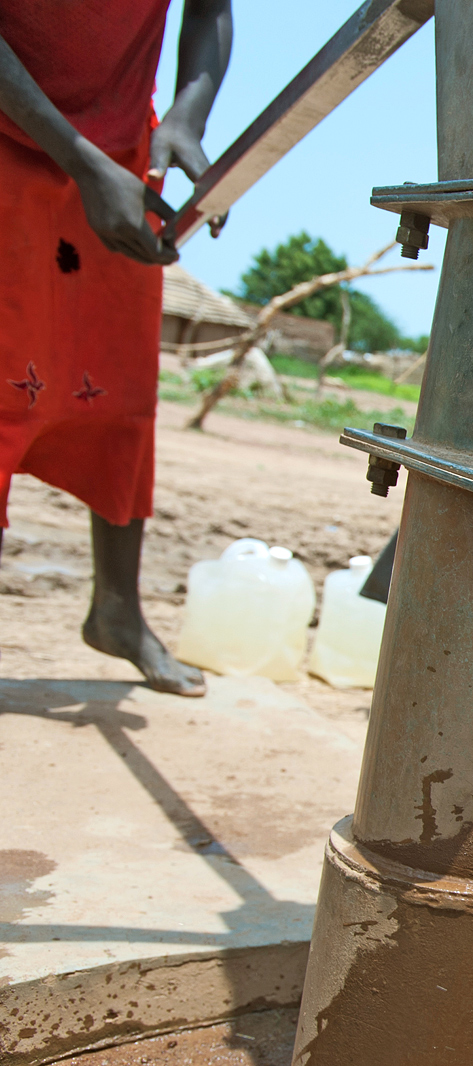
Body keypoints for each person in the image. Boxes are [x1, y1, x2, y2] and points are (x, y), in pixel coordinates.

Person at [0, 0, 229, 696]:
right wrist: (78, 158)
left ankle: (117, 611)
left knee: (117, 380)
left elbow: (210, 9)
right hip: (13, 131)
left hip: (122, 158)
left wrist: (188, 117)